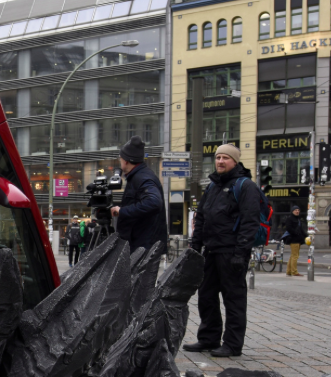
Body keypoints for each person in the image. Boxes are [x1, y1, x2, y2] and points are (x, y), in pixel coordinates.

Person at [183, 144, 261, 358]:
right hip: (211, 251)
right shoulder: (212, 186)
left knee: (233, 299)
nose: (220, 161)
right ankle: (208, 338)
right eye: (218, 157)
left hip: (232, 252)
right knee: (206, 296)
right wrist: (195, 247)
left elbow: (250, 221)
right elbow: (201, 219)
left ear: (235, 162)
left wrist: (240, 252)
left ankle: (233, 345)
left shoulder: (245, 186)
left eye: (225, 158)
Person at [111, 136, 166, 252]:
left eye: (120, 158)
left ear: (126, 160)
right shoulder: (138, 176)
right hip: (140, 246)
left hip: (141, 249)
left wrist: (122, 211)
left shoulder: (142, 177)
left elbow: (154, 202)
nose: (119, 161)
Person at [280, 204, 304, 277]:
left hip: (298, 239)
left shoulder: (298, 219)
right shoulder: (290, 218)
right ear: (292, 211)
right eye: (295, 210)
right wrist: (296, 233)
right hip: (294, 239)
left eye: (298, 210)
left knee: (293, 256)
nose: (297, 211)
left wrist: (305, 236)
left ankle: (289, 271)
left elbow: (301, 229)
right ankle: (294, 271)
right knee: (295, 256)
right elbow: (289, 228)